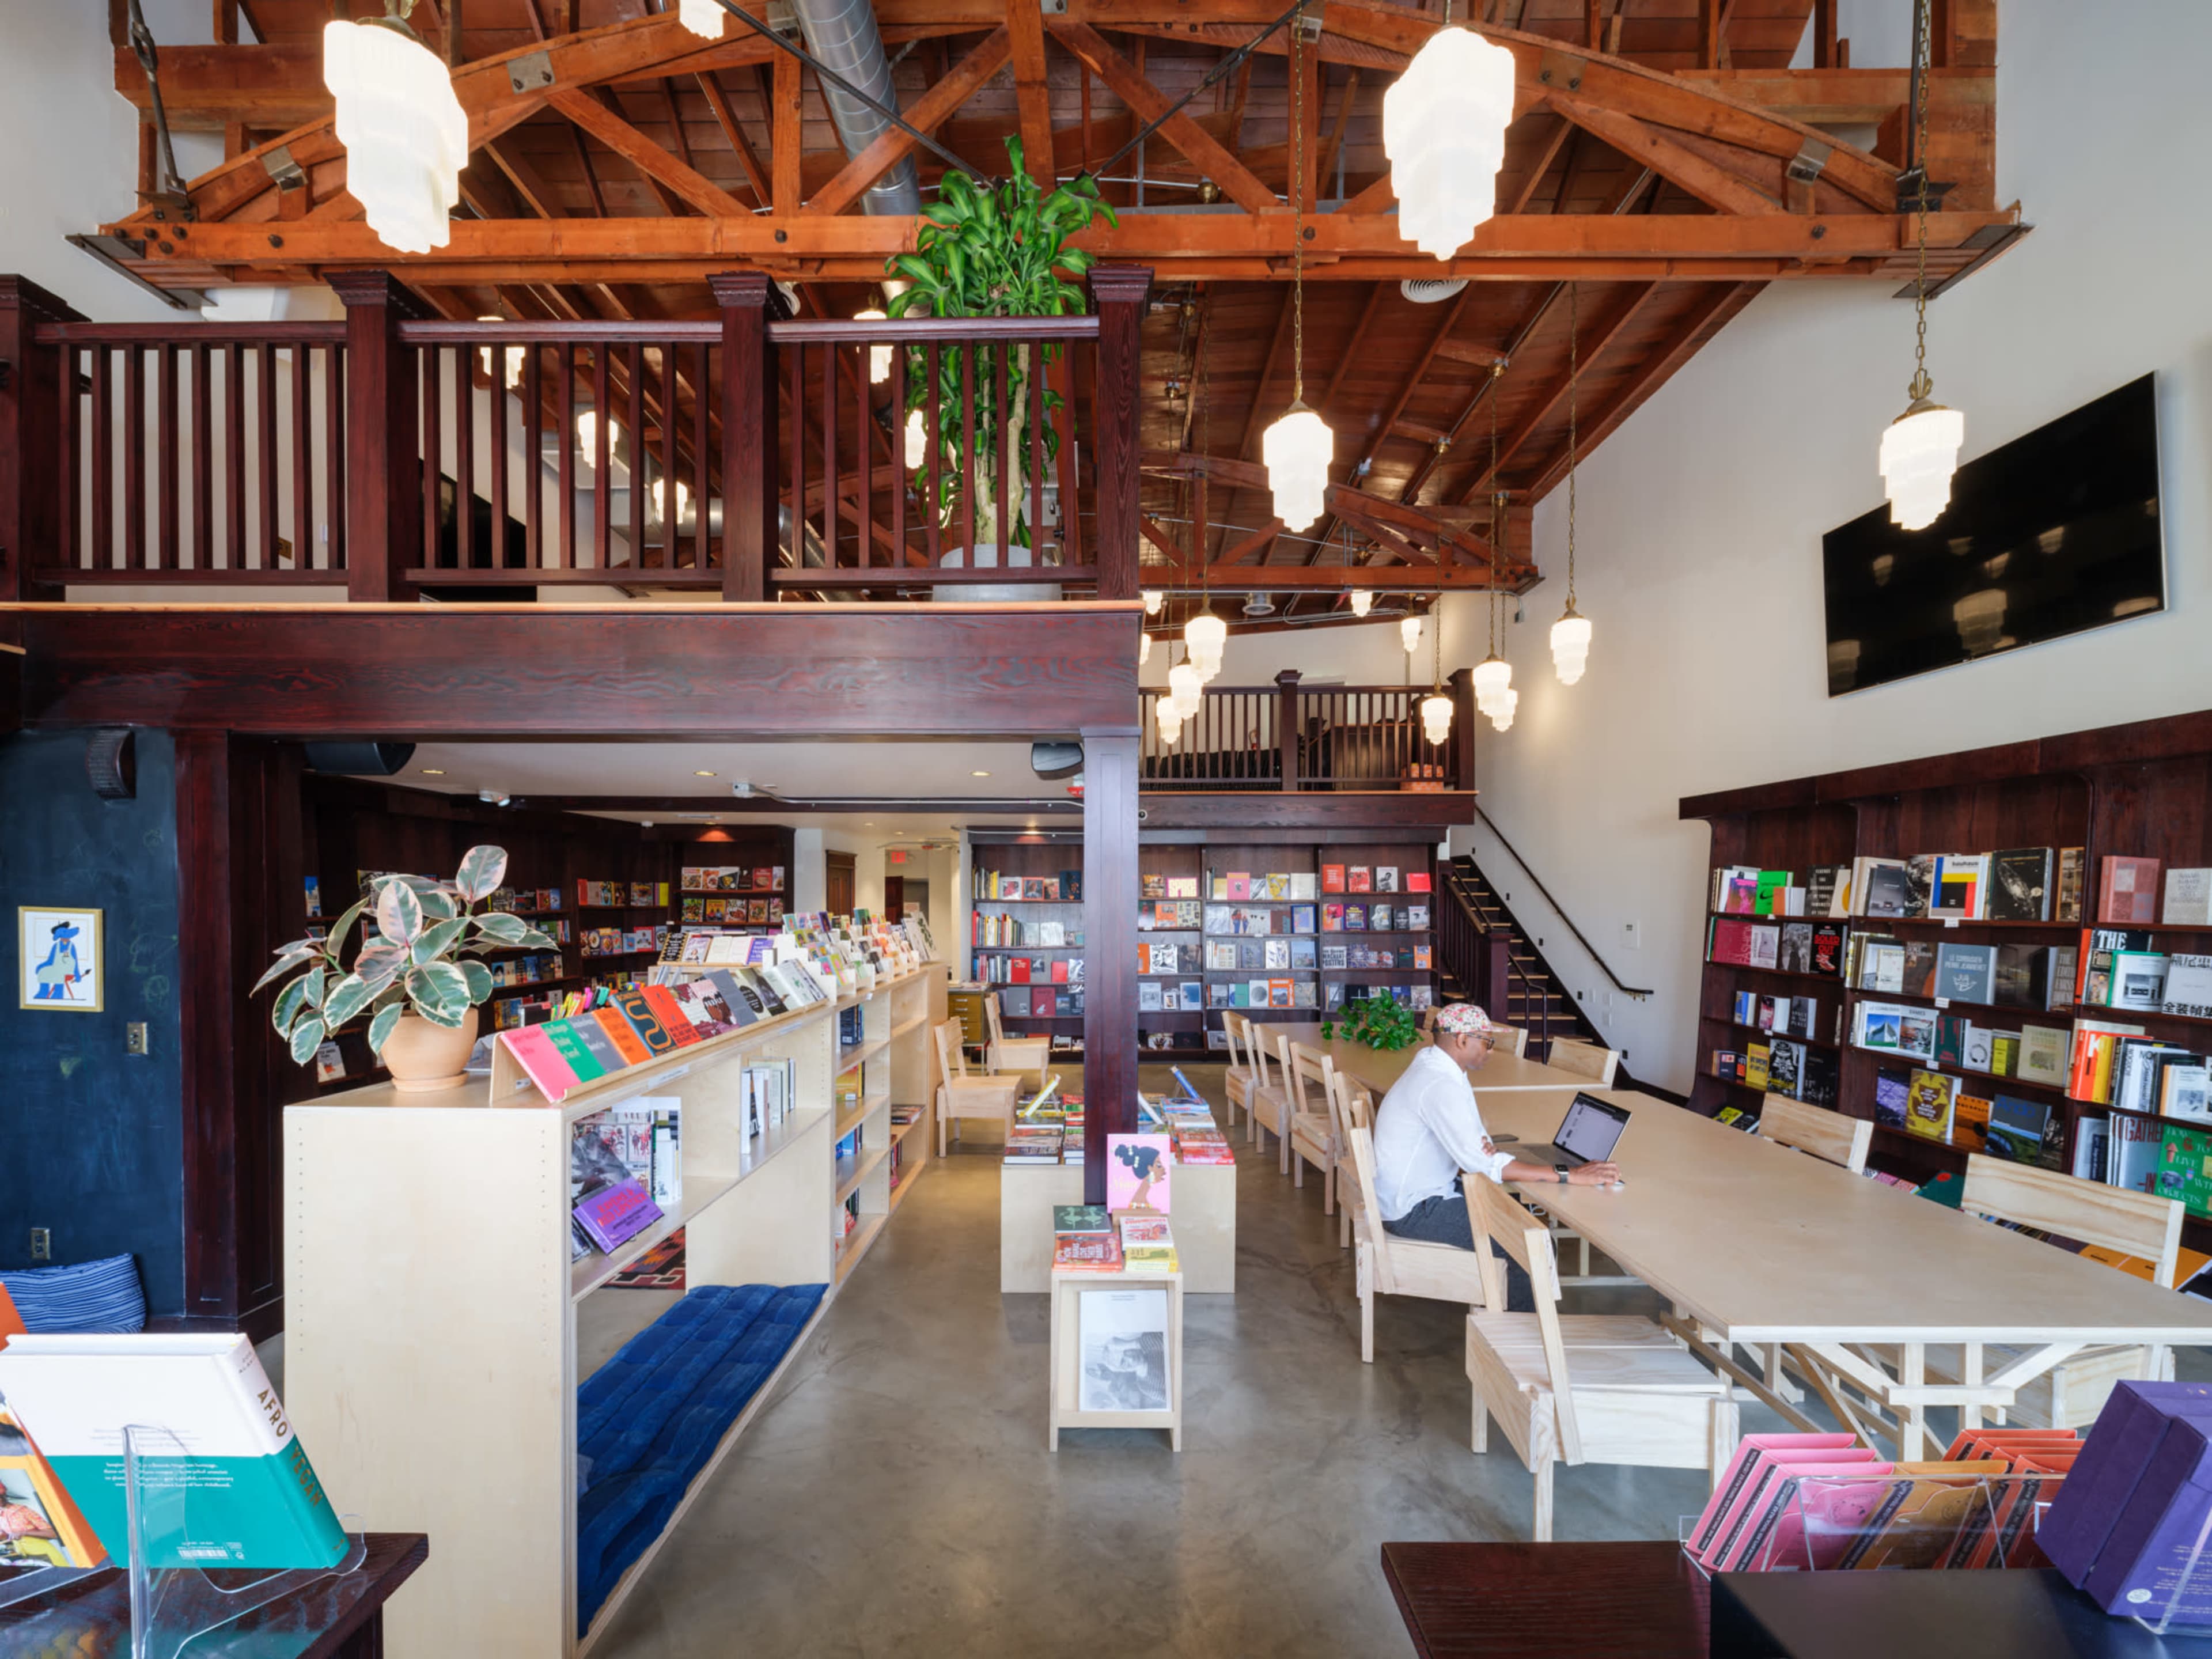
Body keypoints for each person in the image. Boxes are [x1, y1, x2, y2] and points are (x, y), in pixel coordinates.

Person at [1370, 1003, 1621, 1313]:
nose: (1490, 1051)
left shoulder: (1435, 1065)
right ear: (1462, 1040)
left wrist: (1485, 1153)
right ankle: (1522, 1340)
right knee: (1534, 1246)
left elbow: (1479, 1145)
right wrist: (1569, 1174)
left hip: (1421, 1191)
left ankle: (1501, 1310)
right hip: (1414, 1208)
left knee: (1519, 1218)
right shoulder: (1440, 1085)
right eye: (1487, 1043)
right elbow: (1482, 1162)